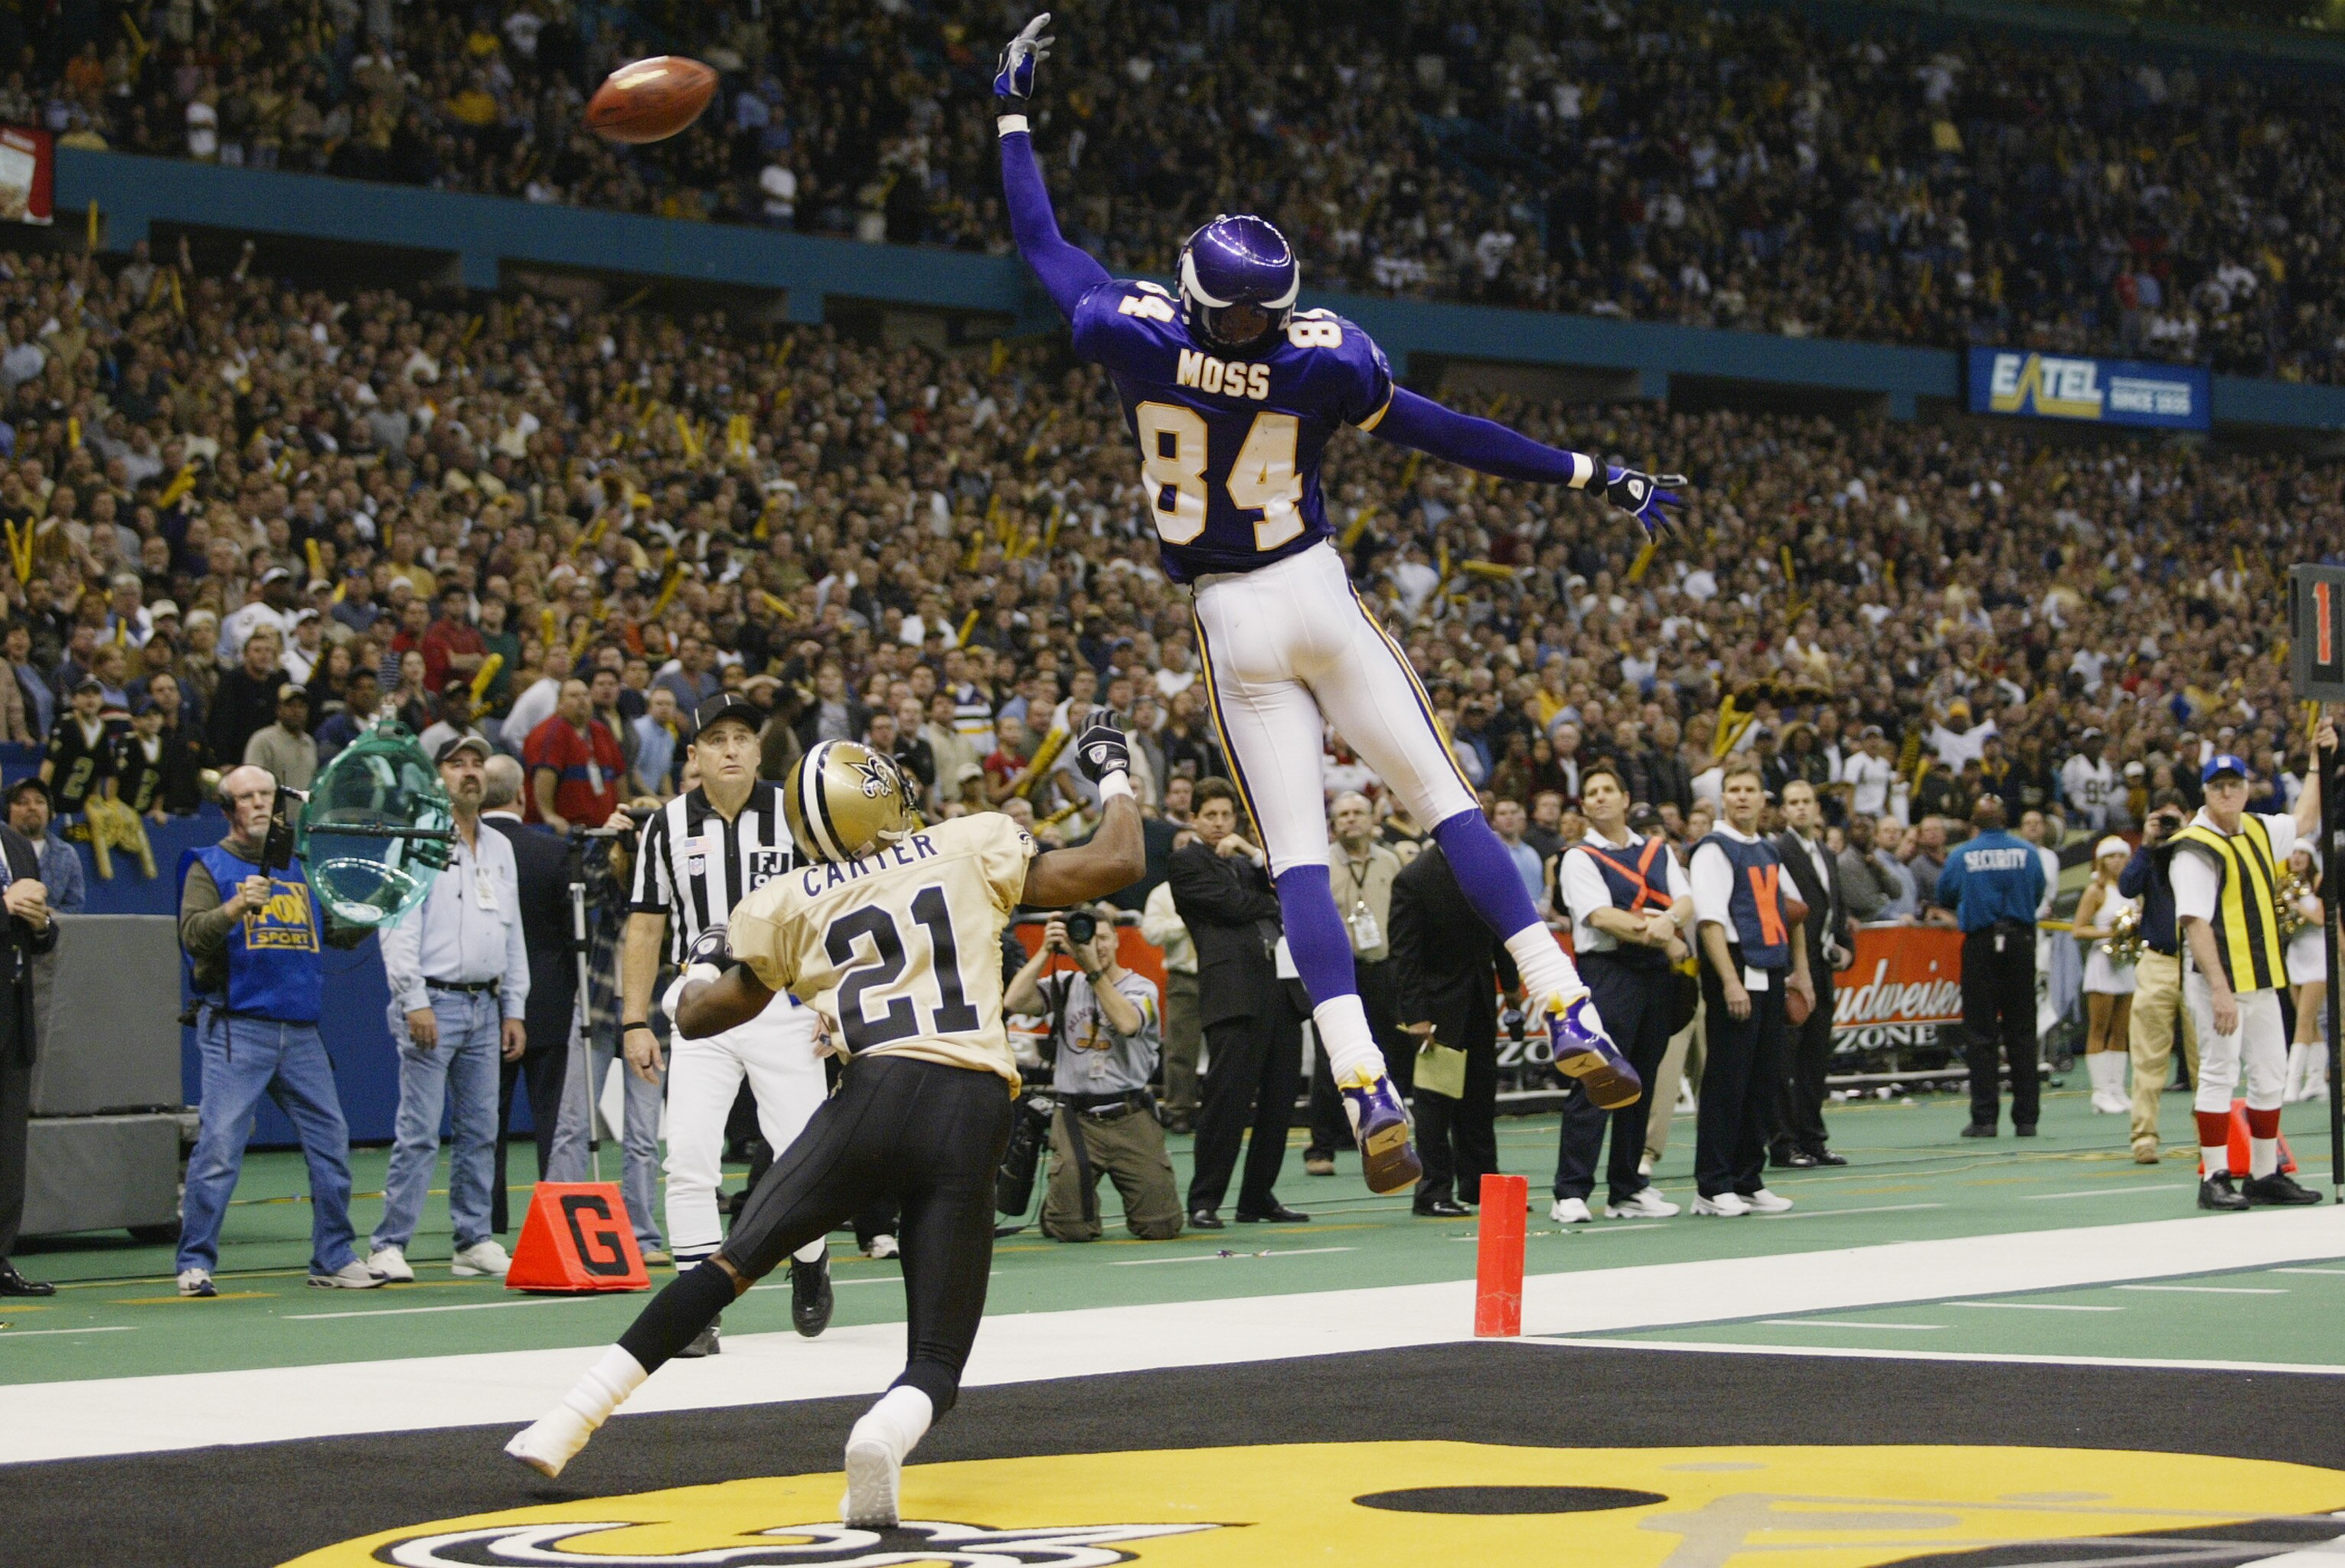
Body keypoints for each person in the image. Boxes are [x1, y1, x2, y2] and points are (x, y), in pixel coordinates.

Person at [991, 12, 1674, 1196]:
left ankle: (1360, 1075)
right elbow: (1447, 433)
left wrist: (1009, 115)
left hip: (1226, 616)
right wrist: (1587, 472)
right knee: (1445, 806)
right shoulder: (1322, 358)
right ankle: (1564, 1006)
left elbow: (1041, 243)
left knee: (1300, 862)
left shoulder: (1131, 330)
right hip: (1312, 585)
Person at [506, 716, 1146, 1530]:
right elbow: (1118, 859)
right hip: (974, 1104)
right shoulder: (968, 841)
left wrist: (704, 956)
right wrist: (1113, 773)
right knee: (938, 1357)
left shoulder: (790, 896)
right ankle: (882, 1430)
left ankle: (565, 1421)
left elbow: (703, 1016)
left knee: (726, 1268)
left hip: (873, 1095)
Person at [622, 694, 833, 1354]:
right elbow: (647, 925)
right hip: (701, 1004)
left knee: (806, 1156)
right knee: (686, 1154)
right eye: (717, 739)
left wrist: (836, 1002)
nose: (732, 748)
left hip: (785, 1001)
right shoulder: (664, 827)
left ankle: (809, 1260)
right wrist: (633, 1020)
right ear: (695, 756)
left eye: (743, 736)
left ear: (758, 748)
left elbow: (832, 914)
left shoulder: (796, 814)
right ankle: (694, 1310)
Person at [173, 765, 380, 1295]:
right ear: (228, 811)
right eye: (248, 797)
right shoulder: (209, 866)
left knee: (331, 1143)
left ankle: (332, 1257)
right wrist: (237, 905)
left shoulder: (303, 869)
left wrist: (379, 904)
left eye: (268, 794)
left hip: (301, 1031)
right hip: (237, 1027)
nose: (262, 804)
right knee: (219, 1146)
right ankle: (194, 1261)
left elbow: (340, 932)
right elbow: (193, 937)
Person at [368, 737, 531, 1282]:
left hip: (485, 1003)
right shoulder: (414, 840)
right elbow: (394, 928)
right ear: (434, 776)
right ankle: (389, 1243)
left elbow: (512, 933)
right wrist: (412, 999)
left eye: (476, 764)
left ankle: (473, 1238)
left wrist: (515, 1007)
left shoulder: (500, 849)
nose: (469, 773)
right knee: (418, 1130)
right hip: (433, 1000)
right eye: (456, 764)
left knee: (482, 1129)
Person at [2171, 738, 2330, 1210]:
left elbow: (2303, 820)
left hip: (2261, 973)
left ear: (2245, 790)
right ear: (2205, 792)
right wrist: (2219, 989)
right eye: (2218, 786)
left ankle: (2264, 1173)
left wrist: (2319, 764)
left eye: (2234, 785)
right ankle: (2215, 1176)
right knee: (2220, 1072)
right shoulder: (2194, 847)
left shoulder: (2257, 829)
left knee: (2270, 1072)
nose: (2227, 793)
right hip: (2217, 978)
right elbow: (2195, 922)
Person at [1550, 765, 1690, 1222]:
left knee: (1643, 1079)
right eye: (1592, 793)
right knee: (1600, 1076)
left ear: (1625, 798)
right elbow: (1600, 917)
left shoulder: (1657, 849)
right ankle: (1570, 1191)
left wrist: (1669, 923)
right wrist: (1662, 931)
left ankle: (1627, 1188)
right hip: (1608, 972)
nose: (1600, 797)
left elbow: (1687, 900)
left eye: (1608, 789)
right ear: (1585, 805)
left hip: (1653, 975)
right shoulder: (1578, 857)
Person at [1171, 778, 1309, 1229]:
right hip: (1232, 992)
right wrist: (1267, 906)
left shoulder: (1249, 863)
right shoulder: (1185, 862)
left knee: (1280, 1099)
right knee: (1226, 1100)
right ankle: (1204, 1200)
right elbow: (1232, 905)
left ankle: (1256, 1197)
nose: (1218, 823)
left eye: (1225, 815)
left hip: (1281, 989)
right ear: (1193, 819)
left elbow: (1288, 886)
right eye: (1209, 815)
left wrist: (1250, 851)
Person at [1004, 906, 1181, 1243]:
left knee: (1161, 1227)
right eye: (1087, 939)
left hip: (1131, 1114)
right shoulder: (1067, 984)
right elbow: (1013, 1001)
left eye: (1103, 938)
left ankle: (1069, 1198)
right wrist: (1045, 951)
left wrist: (1093, 971)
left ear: (1116, 940)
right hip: (1076, 1118)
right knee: (1071, 1230)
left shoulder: (1141, 987)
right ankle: (1062, 1205)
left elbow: (1127, 1024)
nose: (1095, 946)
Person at [1690, 763, 1810, 1216]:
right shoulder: (1713, 851)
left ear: (1764, 799)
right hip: (1736, 966)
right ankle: (1712, 1184)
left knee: (1763, 1078)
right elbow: (1710, 922)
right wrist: (1729, 980)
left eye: (1750, 790)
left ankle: (1748, 1177)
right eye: (1734, 790)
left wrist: (1801, 972)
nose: (1742, 797)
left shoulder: (1767, 851)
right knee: (1727, 1079)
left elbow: (1793, 911)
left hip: (1770, 966)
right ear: (1723, 798)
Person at [477, 750, 574, 1234]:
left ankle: (486, 1225)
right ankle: (555, 1225)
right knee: (553, 1125)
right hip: (552, 1004)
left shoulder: (466, 852)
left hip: (485, 1002)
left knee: (484, 1124)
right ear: (522, 794)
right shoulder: (553, 852)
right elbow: (572, 936)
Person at [1303, 792, 1408, 1177]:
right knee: (1331, 1060)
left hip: (1382, 967)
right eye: (1343, 814)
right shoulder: (1322, 865)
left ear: (1371, 819)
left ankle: (1380, 1136)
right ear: (1333, 823)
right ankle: (1321, 1146)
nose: (1350, 820)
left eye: (1357, 813)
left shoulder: (1390, 861)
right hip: (1337, 974)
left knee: (1388, 1052)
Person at [1940, 795, 2050, 1138]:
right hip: (2019, 942)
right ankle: (2027, 1118)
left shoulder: (1962, 855)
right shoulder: (2027, 853)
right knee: (2022, 1032)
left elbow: (1945, 894)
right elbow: (2037, 892)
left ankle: (1985, 1118)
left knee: (1981, 1034)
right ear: (2006, 820)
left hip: (1981, 945)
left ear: (1974, 821)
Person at [1771, 779, 1850, 1169]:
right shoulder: (1777, 851)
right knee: (1787, 1058)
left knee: (1816, 1056)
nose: (1800, 809)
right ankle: (1784, 1143)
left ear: (1817, 809)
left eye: (1806, 802)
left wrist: (1844, 944)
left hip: (1822, 964)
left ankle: (1813, 1138)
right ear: (1784, 810)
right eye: (1793, 803)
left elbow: (1837, 906)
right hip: (1789, 965)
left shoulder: (1827, 852)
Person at [2122, 789, 2200, 1164]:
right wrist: (2147, 844)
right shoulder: (2150, 856)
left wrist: (2187, 836)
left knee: (2207, 1058)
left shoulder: (2200, 851)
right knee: (2149, 1056)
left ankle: (2211, 1137)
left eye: (2173, 819)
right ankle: (2144, 1137)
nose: (2168, 826)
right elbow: (2126, 887)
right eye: (2162, 819)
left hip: (2199, 961)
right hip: (2159, 960)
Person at [0, 803, 56, 1298]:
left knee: (7, 1151)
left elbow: (41, 934)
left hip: (12, 1018)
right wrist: (5, 906)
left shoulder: (14, 842)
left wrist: (40, 924)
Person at [2072, 835, 2141, 1116]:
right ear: (2101, 861)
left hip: (2126, 965)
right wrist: (2111, 935)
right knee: (2099, 1028)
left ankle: (2116, 1089)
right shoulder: (2095, 891)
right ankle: (2100, 1092)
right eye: (2111, 857)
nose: (2117, 862)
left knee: (2122, 1029)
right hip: (2103, 963)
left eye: (2121, 856)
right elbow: (2078, 929)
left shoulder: (2133, 890)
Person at [1138, 836, 1200, 1132]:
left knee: (1230, 1048)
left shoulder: (1220, 882)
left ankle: (1223, 1110)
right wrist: (1185, 922)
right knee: (1180, 1049)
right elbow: (1150, 932)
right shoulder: (1163, 894)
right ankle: (1178, 1110)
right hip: (1184, 975)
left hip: (1222, 974)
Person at [526, 677, 622, 833]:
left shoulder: (602, 731)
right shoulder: (550, 733)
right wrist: (549, 815)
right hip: (568, 832)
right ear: (559, 703)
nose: (581, 700)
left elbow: (619, 775)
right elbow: (544, 775)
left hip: (604, 828)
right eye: (573, 696)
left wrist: (623, 811)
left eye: (585, 695)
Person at [2281, 844, 2328, 1103]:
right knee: (2307, 1022)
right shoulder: (2285, 884)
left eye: (2302, 853)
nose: (2297, 857)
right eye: (2294, 853)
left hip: (2317, 958)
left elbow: (2322, 918)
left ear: (2311, 858)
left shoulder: (2320, 881)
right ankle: (2316, 1082)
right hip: (2296, 956)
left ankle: (2292, 1084)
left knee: (2303, 1020)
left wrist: (2296, 906)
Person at [39, 675, 113, 822]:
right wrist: (43, 800)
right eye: (85, 694)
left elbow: (99, 771)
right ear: (73, 700)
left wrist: (95, 799)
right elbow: (49, 764)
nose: (90, 699)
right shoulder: (65, 723)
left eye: (95, 694)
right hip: (57, 798)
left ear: (102, 700)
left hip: (81, 803)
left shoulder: (103, 730)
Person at [5, 781, 83, 914]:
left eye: (39, 802)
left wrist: (48, 917)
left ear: (50, 811)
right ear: (7, 811)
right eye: (23, 802)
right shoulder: (2, 848)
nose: (32, 807)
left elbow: (74, 906)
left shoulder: (66, 854)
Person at [241, 683, 316, 791]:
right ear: (279, 709)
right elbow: (251, 781)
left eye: (301, 706)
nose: (296, 711)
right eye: (290, 705)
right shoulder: (263, 740)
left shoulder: (309, 743)